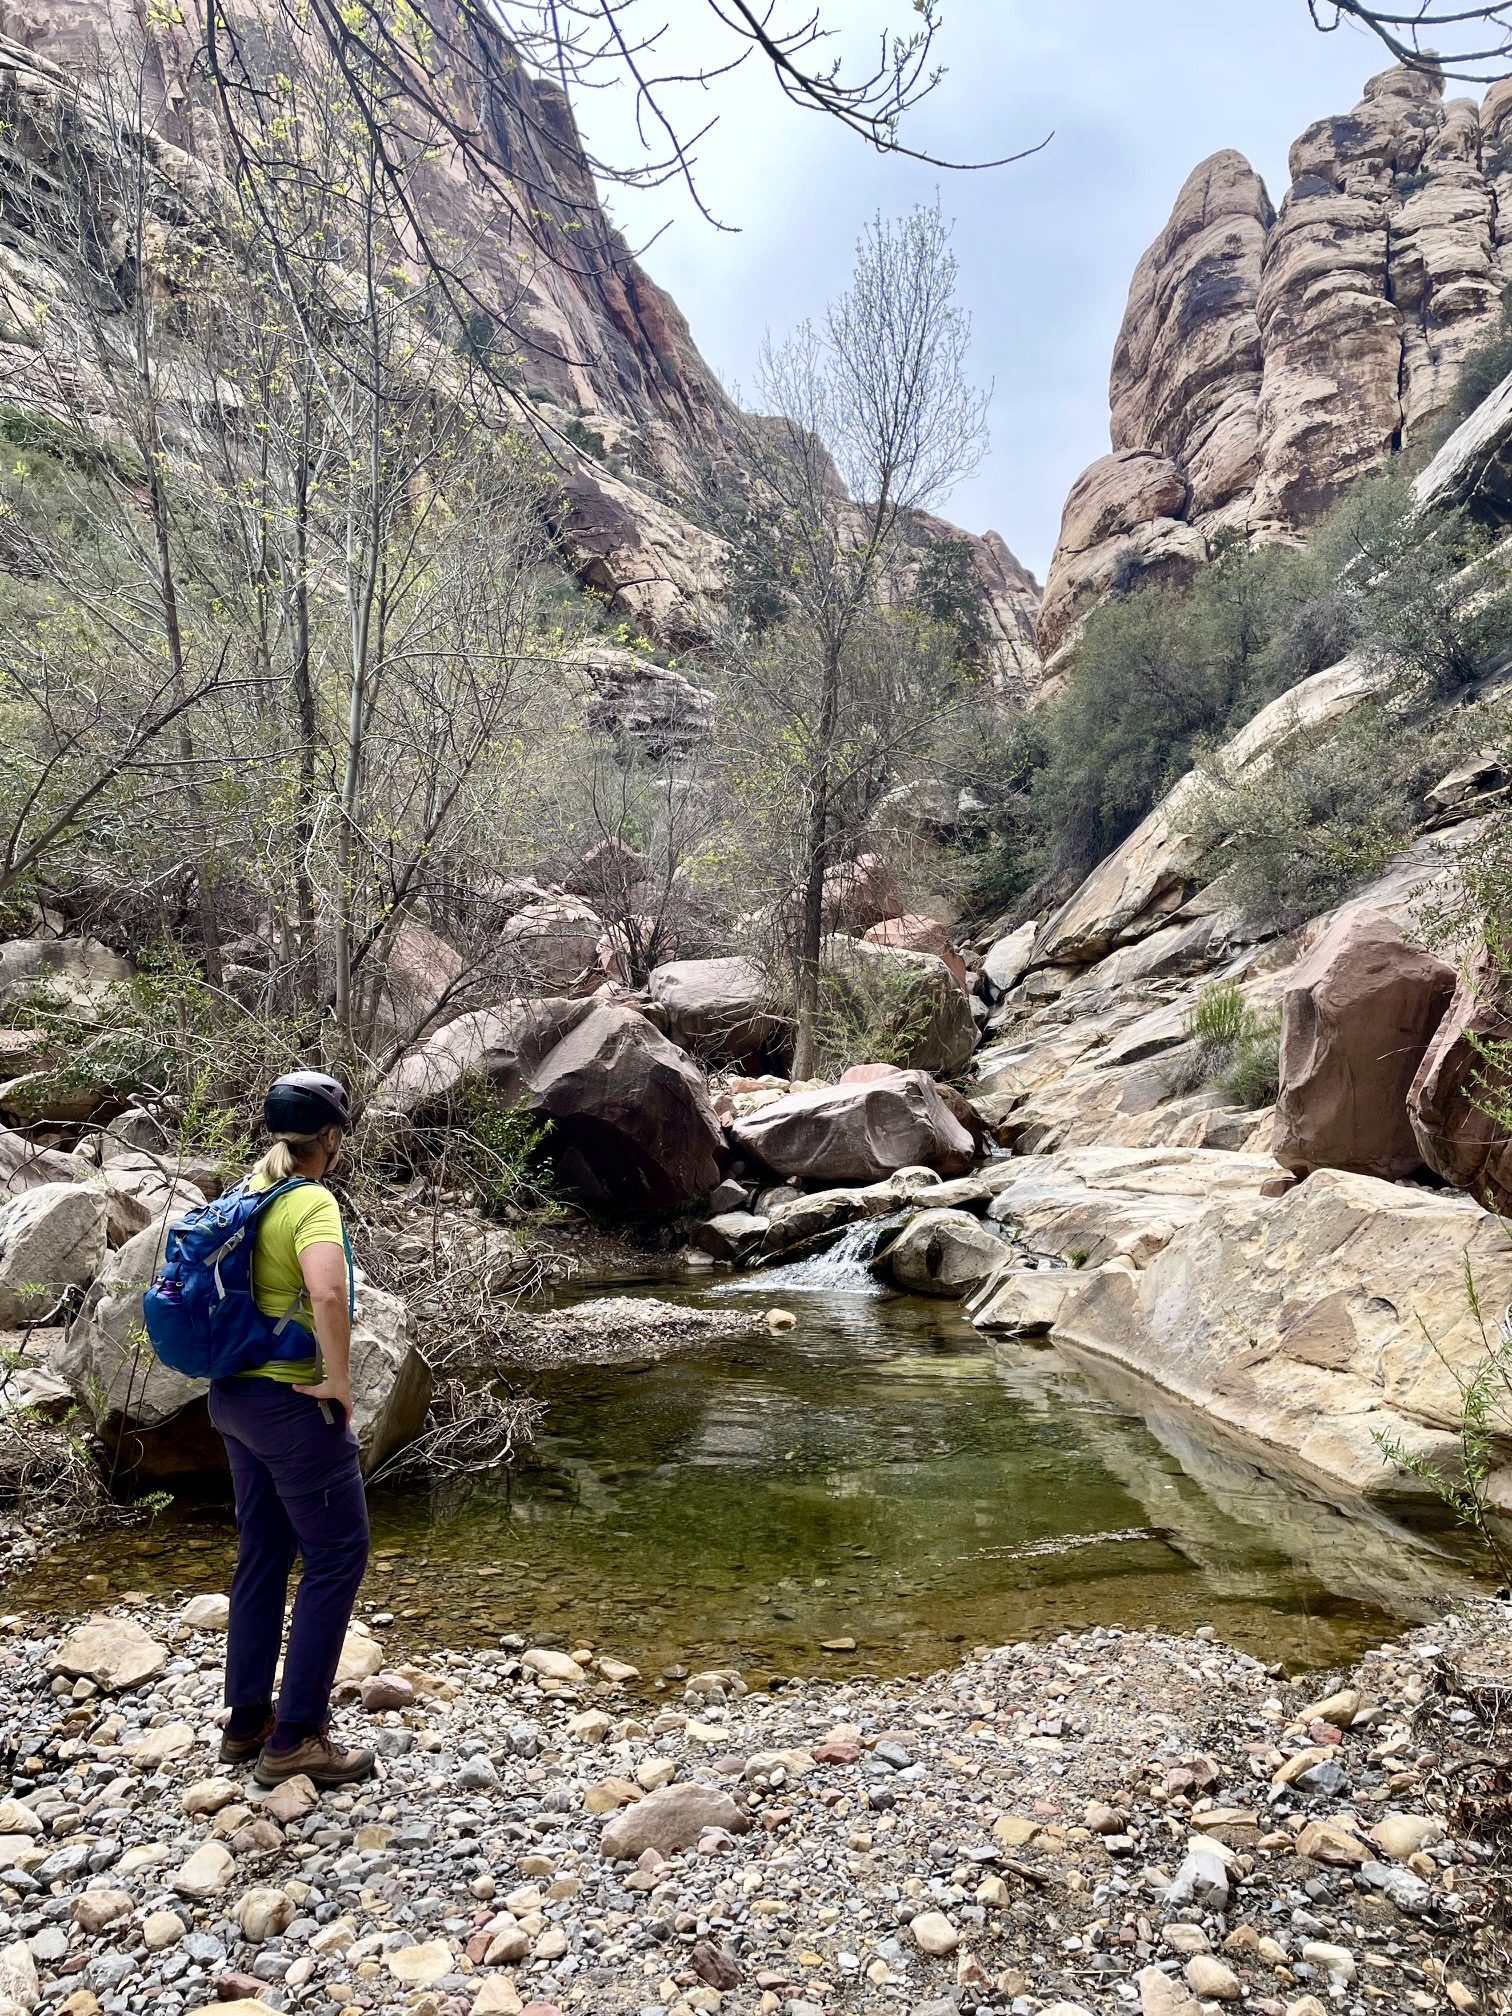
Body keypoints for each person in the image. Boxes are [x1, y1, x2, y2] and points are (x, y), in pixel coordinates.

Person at [209, 1070, 376, 1788]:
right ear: (329, 1138)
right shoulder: (309, 1199)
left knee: (264, 1552)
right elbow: (328, 1291)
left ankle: (248, 1722)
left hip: (233, 1399)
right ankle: (299, 1736)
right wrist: (339, 1380)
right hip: (291, 1406)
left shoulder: (250, 1190)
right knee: (337, 1552)